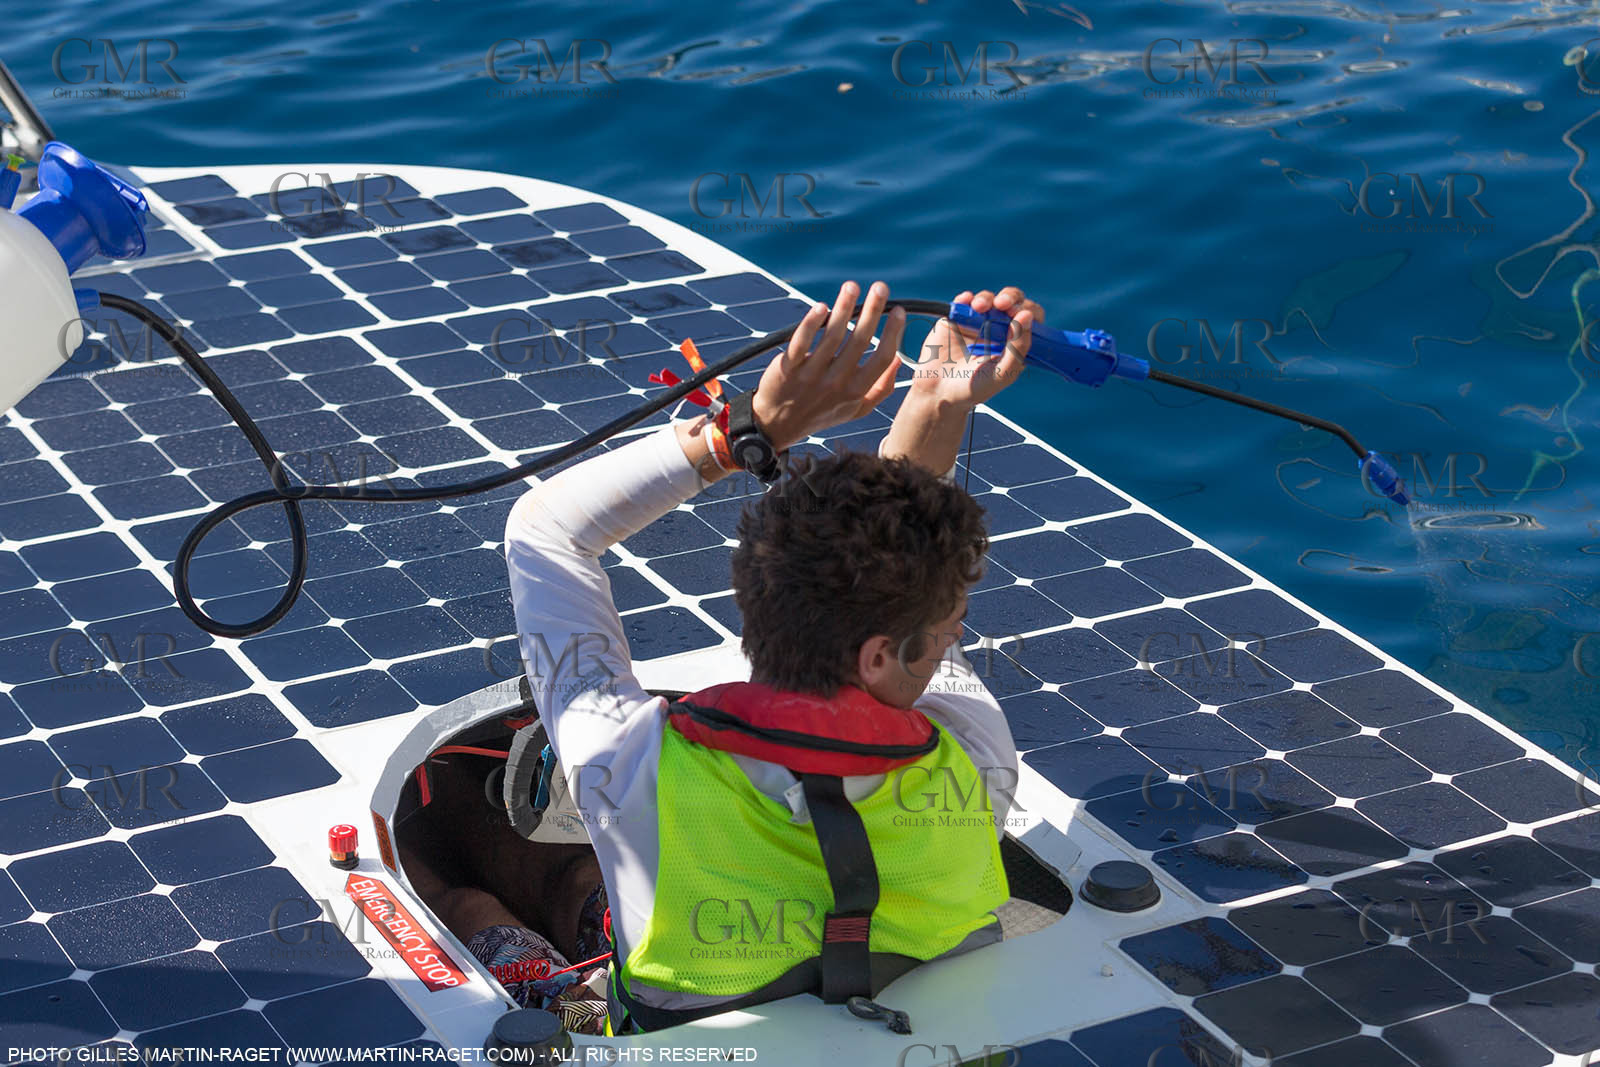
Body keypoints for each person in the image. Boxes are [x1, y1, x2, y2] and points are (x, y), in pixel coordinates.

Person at [472, 283, 1039, 1034]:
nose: (952, 640)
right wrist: (940, 398)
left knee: (483, 878)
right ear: (878, 655)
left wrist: (747, 428)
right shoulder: (976, 757)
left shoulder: (631, 765)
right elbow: (899, 573)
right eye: (949, 628)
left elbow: (545, 532)